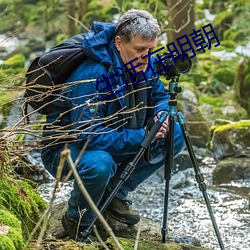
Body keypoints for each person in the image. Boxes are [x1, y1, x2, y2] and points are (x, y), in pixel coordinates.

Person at [41, 9, 185, 241]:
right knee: (100, 164)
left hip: (116, 136)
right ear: (119, 42)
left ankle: (115, 193)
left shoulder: (142, 62)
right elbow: (87, 136)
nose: (147, 57)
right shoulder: (92, 75)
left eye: (151, 49)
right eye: (140, 49)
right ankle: (76, 221)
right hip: (67, 150)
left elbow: (159, 95)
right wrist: (142, 135)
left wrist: (161, 114)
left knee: (175, 132)